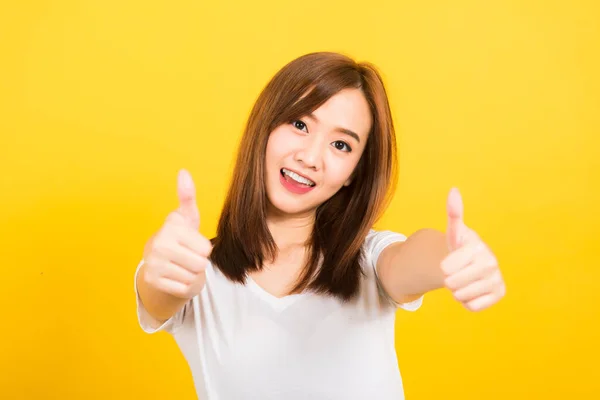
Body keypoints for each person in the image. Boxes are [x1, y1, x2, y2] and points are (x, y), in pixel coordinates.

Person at [134, 51, 506, 399]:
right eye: (299, 124)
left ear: (353, 174)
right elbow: (160, 287)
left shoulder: (367, 262)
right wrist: (162, 263)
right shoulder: (197, 274)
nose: (310, 157)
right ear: (264, 127)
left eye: (341, 145)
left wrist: (452, 257)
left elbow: (412, 257)